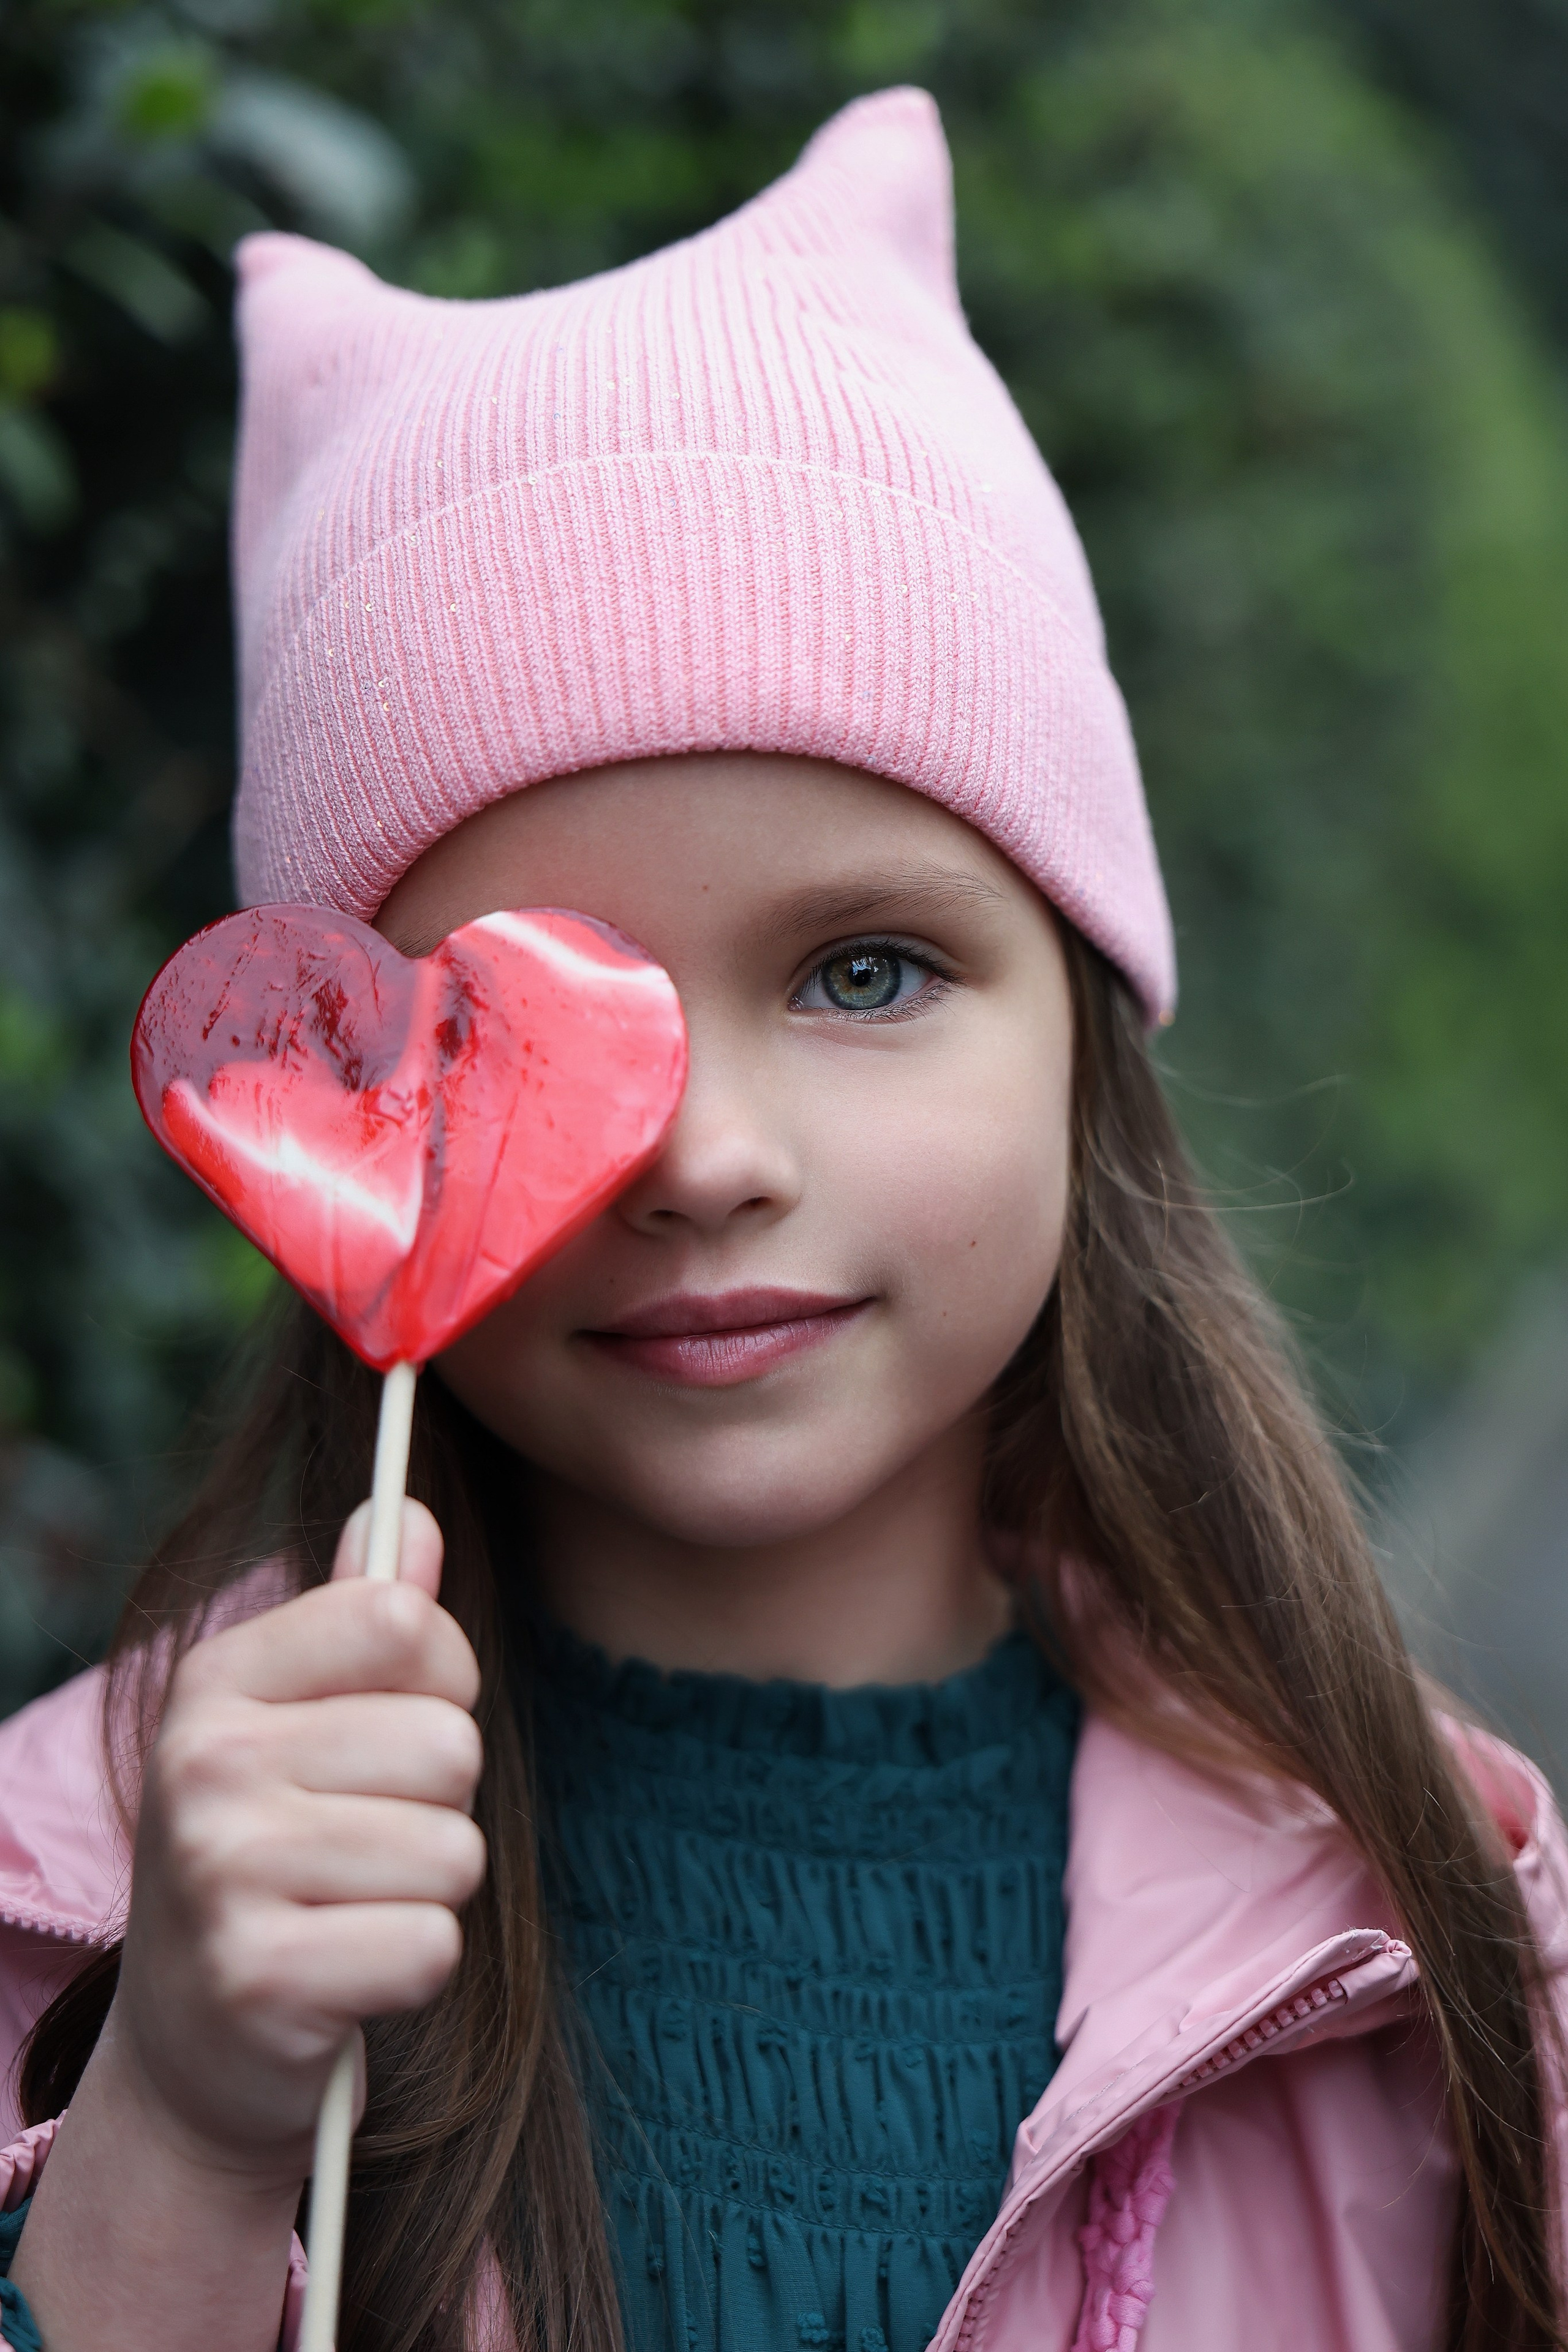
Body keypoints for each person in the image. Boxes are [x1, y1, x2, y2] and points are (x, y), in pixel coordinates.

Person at [1, 85, 1564, 2352]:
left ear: (1082, 1031)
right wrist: (176, 2128)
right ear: (348, 1130)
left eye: (864, 972)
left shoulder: (1423, 1939)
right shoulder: (81, 1900)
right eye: (520, 1024)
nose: (701, 1151)